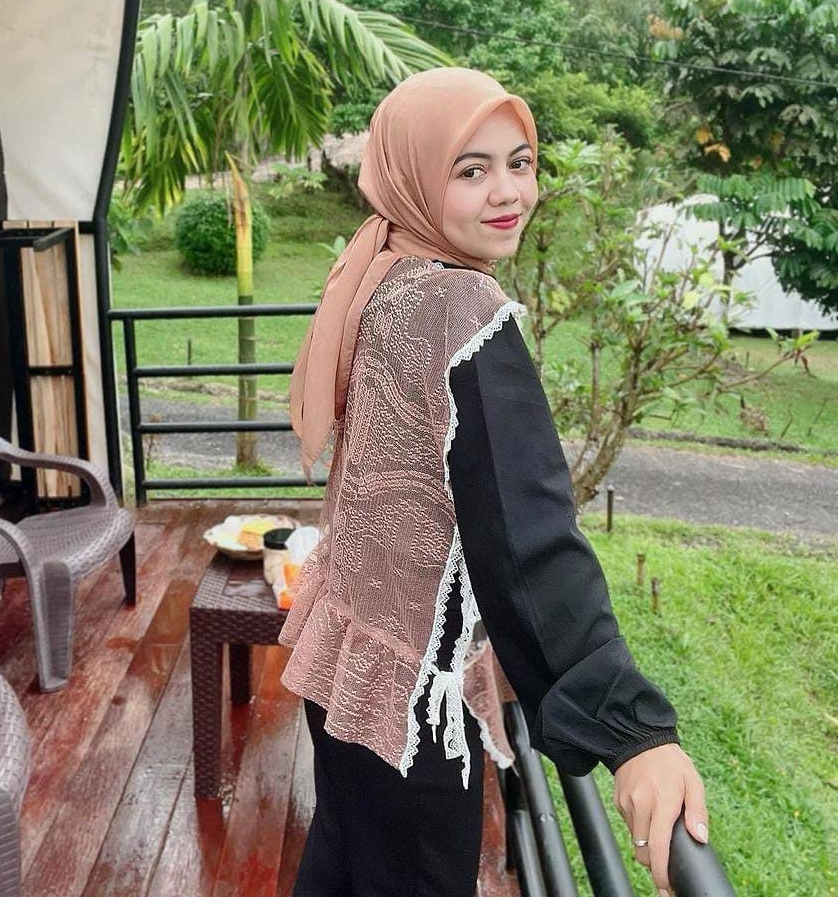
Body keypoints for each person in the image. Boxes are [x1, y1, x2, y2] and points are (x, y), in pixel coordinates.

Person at [279, 67, 709, 897]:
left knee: (341, 861)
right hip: (405, 703)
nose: (508, 192)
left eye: (521, 162)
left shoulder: (387, 272)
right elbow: (527, 535)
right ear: (413, 174)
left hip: (348, 665)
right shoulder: (462, 310)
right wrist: (633, 732)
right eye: (470, 170)